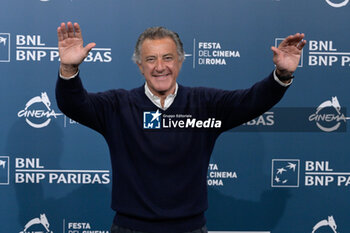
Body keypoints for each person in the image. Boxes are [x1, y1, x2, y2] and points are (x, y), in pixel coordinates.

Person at [55, 22, 306, 233]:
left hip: (190, 229)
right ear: (140, 66)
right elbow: (74, 104)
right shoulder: (117, 106)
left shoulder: (206, 105)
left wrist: (281, 76)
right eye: (150, 59)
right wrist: (69, 68)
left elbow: (252, 101)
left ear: (181, 61)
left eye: (167, 58)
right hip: (130, 228)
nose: (160, 66)